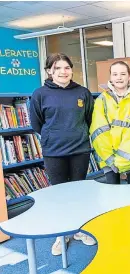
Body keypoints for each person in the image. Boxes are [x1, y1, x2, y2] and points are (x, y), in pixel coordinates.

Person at [29, 53, 96, 255]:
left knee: (78, 193)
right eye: (57, 68)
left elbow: (89, 119)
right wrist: (54, 136)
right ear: (49, 71)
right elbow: (36, 123)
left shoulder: (83, 92)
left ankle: (78, 230)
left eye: (66, 67)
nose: (63, 71)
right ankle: (62, 235)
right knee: (59, 195)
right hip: (54, 151)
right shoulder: (40, 94)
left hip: (80, 149)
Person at [90, 61, 130, 185]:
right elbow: (98, 129)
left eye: (123, 74)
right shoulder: (102, 99)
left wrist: (123, 161)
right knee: (112, 195)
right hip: (108, 157)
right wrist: (111, 159)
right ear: (110, 77)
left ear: (129, 76)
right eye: (115, 74)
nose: (119, 77)